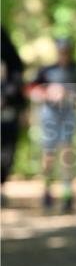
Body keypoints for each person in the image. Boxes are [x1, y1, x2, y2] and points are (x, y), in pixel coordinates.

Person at [29, 36, 76, 213]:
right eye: (61, 51)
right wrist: (47, 93)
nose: (64, 54)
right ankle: (47, 190)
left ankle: (67, 193)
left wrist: (67, 95)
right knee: (49, 153)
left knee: (67, 152)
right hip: (50, 114)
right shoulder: (46, 70)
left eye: (66, 51)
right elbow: (32, 90)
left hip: (68, 113)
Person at [1, 26, 26, 197]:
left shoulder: (2, 36)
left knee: (6, 148)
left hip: (6, 107)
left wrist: (7, 97)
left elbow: (17, 68)